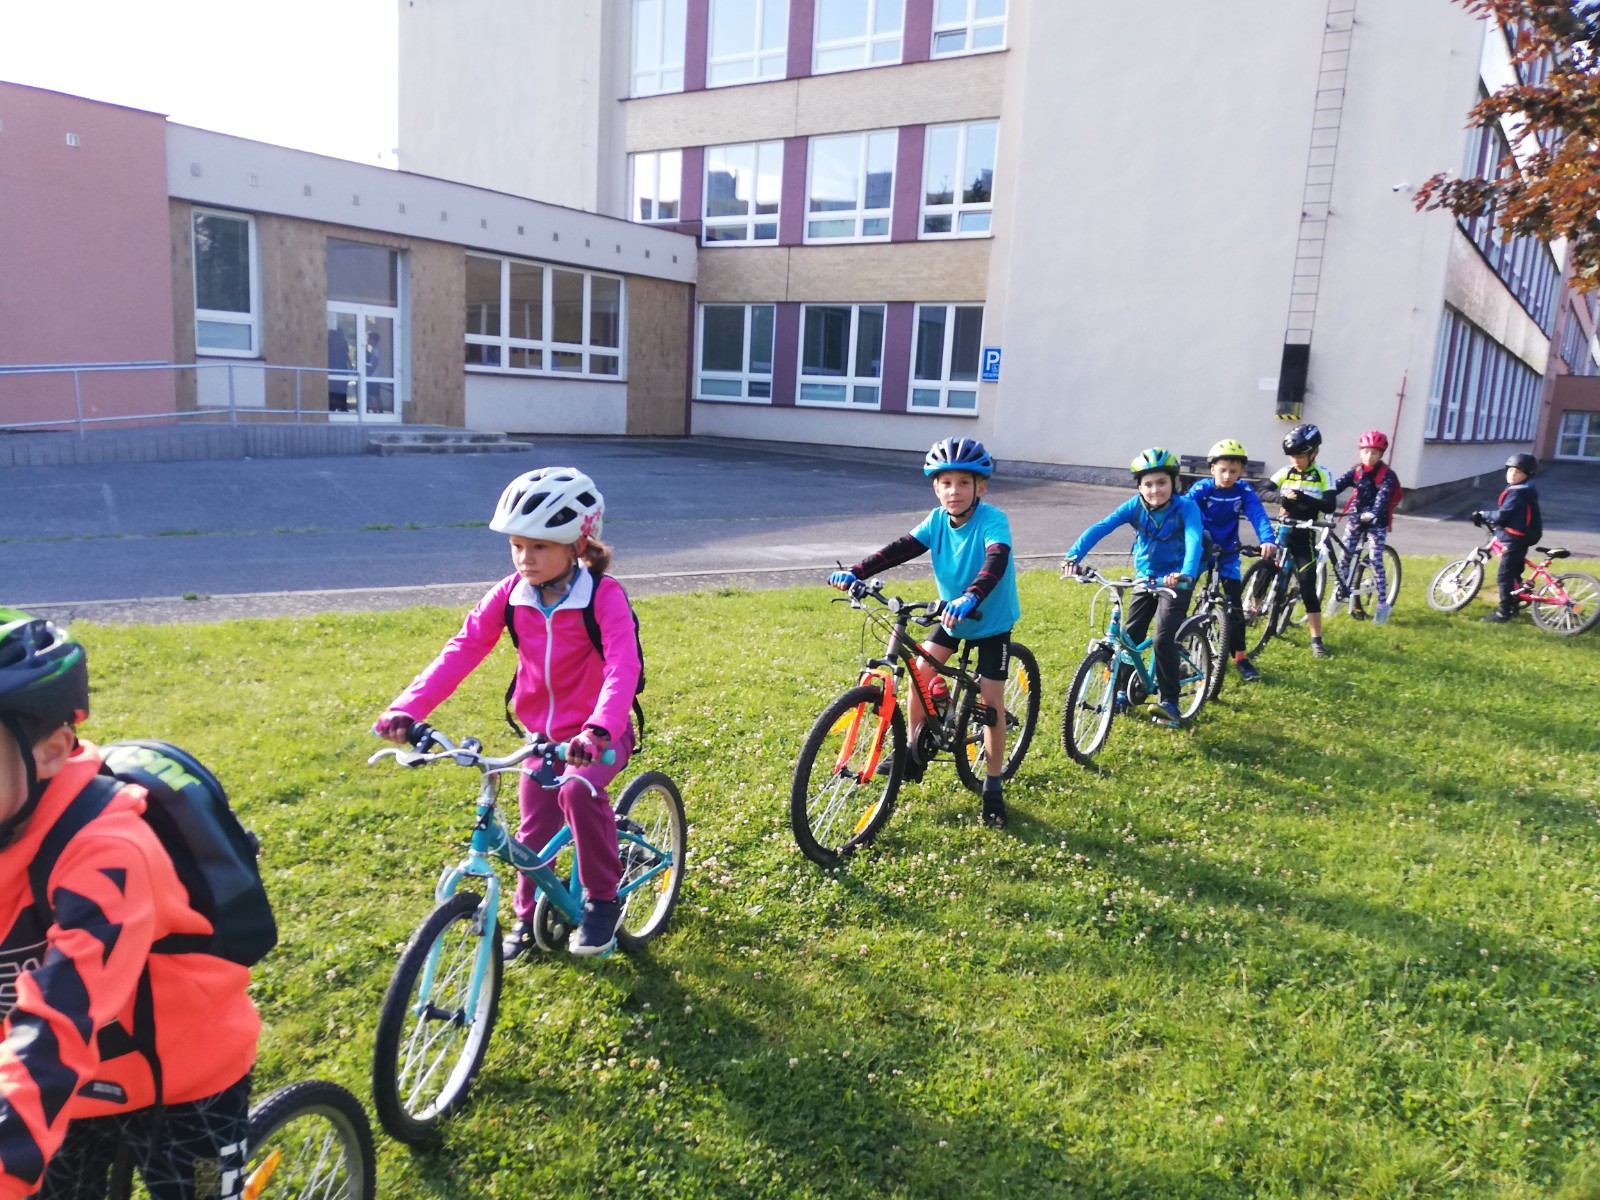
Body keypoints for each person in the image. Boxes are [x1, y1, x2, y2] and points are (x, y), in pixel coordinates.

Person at [0, 611, 259, 1200]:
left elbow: (61, 1014)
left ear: (50, 751)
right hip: (58, 1087)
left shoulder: (111, 855)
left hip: (186, 1081)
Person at [374, 467, 642, 958]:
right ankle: (526, 917)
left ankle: (602, 901)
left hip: (600, 734)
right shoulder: (510, 594)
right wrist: (406, 709)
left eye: (539, 546)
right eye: (517, 545)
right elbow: (463, 649)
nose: (524, 558)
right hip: (542, 737)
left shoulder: (603, 597)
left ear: (578, 545)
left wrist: (599, 730)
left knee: (578, 792)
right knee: (532, 830)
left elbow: (622, 667)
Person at [828, 437, 1020, 829]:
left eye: (963, 483)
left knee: (990, 703)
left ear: (980, 487)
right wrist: (857, 571)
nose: (954, 491)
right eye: (946, 483)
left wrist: (971, 595)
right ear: (935, 488)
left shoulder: (993, 520)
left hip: (990, 621)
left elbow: (995, 559)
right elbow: (900, 549)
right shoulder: (936, 521)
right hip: (951, 616)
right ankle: (915, 752)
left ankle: (993, 784)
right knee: (920, 673)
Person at [1063, 447, 1204, 728]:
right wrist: (1073, 556)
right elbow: (1102, 527)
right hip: (1145, 578)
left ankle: (1170, 701)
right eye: (1148, 484)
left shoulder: (1186, 507)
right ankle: (1123, 693)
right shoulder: (1134, 506)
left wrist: (1186, 573)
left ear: (1174, 483)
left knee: (1163, 638)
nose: (1155, 490)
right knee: (1129, 637)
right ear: (1139, 487)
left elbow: (1194, 539)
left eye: (1161, 482)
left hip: (1176, 580)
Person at [1185, 439, 1278, 683]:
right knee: (1181, 596)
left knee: (1234, 608)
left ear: (1241, 472)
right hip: (1200, 551)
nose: (1227, 476)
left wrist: (1267, 539)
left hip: (1228, 553)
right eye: (1222, 470)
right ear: (1212, 469)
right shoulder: (1201, 489)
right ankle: (1179, 649)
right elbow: (1183, 511)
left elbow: (1257, 514)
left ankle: (1240, 657)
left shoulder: (1243, 491)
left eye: (1233, 471)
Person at [1269, 423, 1337, 658]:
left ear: (1314, 452)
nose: (1295, 461)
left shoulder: (1323, 474)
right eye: (1292, 457)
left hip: (1304, 536)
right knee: (1268, 571)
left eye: (1300, 456)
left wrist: (1302, 497)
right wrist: (1280, 498)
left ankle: (1316, 640)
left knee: (1308, 586)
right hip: (1283, 531)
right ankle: (1254, 609)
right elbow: (1262, 490)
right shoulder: (1285, 472)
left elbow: (1329, 505)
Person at [1331, 429, 1401, 624]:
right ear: (1360, 452)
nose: (1369, 456)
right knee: (1344, 557)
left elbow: (1383, 497)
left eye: (1375, 453)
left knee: (1375, 558)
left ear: (1381, 455)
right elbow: (1336, 486)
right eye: (1366, 451)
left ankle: (1382, 604)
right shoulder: (1356, 471)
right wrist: (1321, 497)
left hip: (1377, 521)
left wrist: (1374, 513)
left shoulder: (1387, 475)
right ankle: (1337, 596)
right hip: (1356, 517)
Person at [1474, 452, 1544, 624]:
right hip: (1522, 536)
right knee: (1514, 573)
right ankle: (1514, 603)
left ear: (1527, 474)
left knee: (1504, 576)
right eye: (1510, 470)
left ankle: (1503, 612)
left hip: (1514, 538)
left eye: (1518, 472)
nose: (1512, 474)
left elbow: (1503, 515)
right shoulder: (1525, 489)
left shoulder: (1518, 493)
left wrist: (1482, 514)